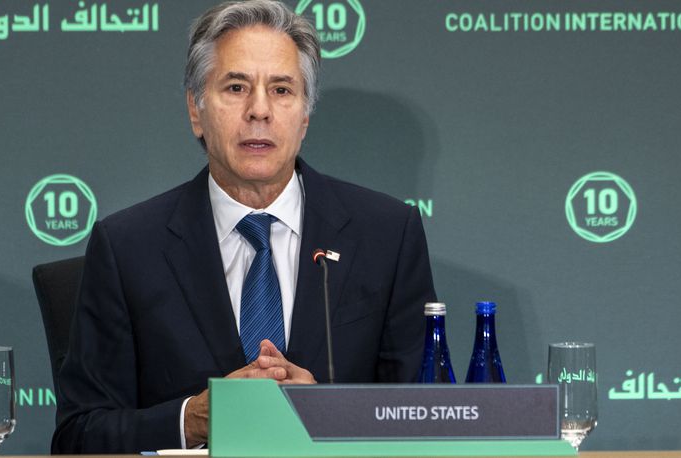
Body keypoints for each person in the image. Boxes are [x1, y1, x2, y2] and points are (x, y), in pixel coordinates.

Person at [52, 0, 436, 453]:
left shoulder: (387, 235)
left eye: (281, 90)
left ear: (305, 115)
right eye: (236, 87)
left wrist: (329, 412)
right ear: (196, 110)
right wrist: (189, 419)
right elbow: (78, 437)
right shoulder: (127, 247)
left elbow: (425, 418)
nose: (259, 110)